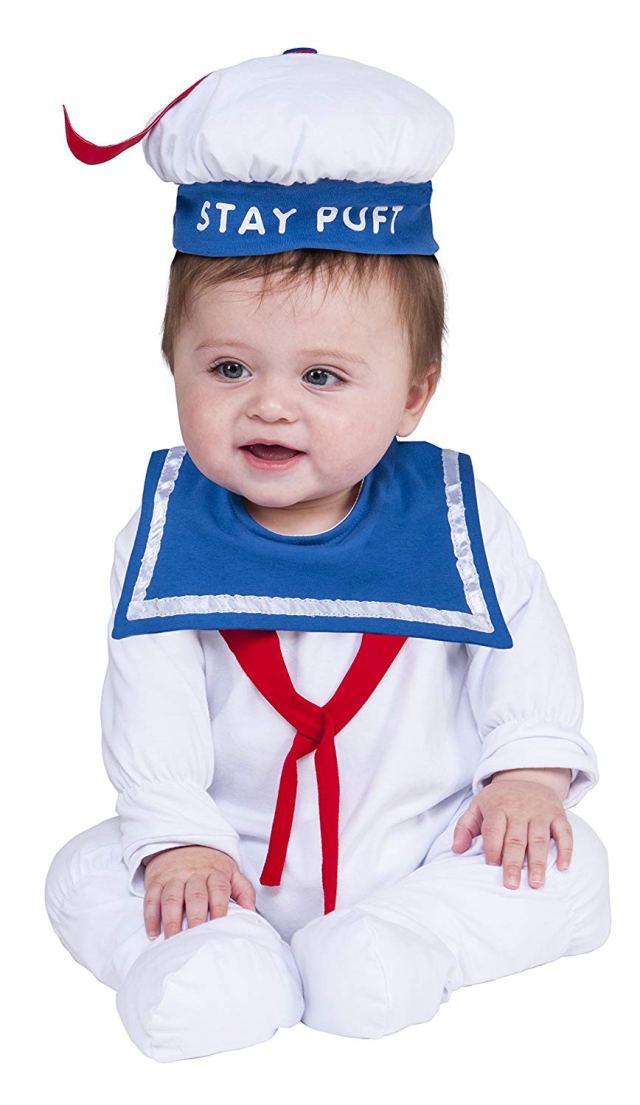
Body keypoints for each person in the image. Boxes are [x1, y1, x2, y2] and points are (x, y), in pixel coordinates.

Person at [45, 47, 611, 1063]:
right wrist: (178, 837)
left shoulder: (456, 514)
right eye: (227, 367)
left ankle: (404, 942)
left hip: (420, 845)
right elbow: (150, 703)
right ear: (171, 366)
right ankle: (214, 959)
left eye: (322, 376)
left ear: (413, 395)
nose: (270, 404)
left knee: (565, 863)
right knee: (84, 872)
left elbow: (522, 646)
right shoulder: (164, 530)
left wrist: (526, 775)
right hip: (228, 861)